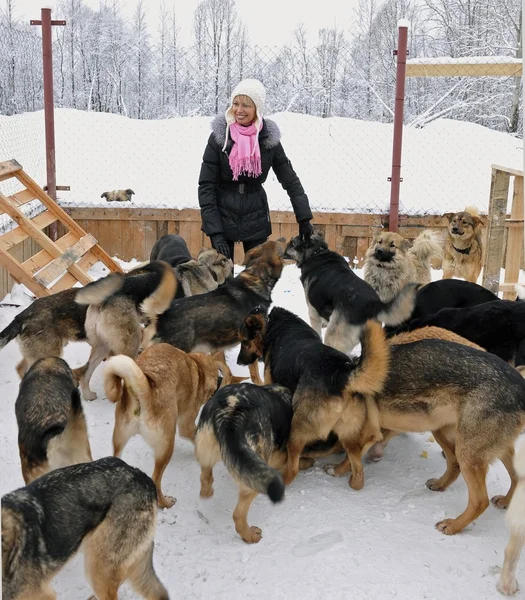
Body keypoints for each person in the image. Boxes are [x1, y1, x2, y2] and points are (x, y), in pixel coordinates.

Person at [198, 78, 314, 259]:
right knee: (222, 281)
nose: (239, 110)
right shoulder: (219, 138)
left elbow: (290, 180)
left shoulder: (268, 140)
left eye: (246, 105)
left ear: (257, 109)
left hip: (256, 215)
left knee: (258, 281)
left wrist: (304, 218)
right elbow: (206, 186)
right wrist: (215, 232)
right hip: (222, 213)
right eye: (236, 103)